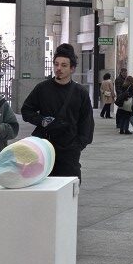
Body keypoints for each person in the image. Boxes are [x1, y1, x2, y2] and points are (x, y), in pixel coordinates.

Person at [21, 43, 94, 181]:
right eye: (56, 64)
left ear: (72, 69)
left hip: (69, 150)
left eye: (64, 65)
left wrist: (78, 145)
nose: (58, 68)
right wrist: (42, 120)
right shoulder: (42, 88)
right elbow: (26, 110)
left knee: (69, 186)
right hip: (44, 147)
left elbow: (87, 123)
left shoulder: (80, 93)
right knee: (43, 186)